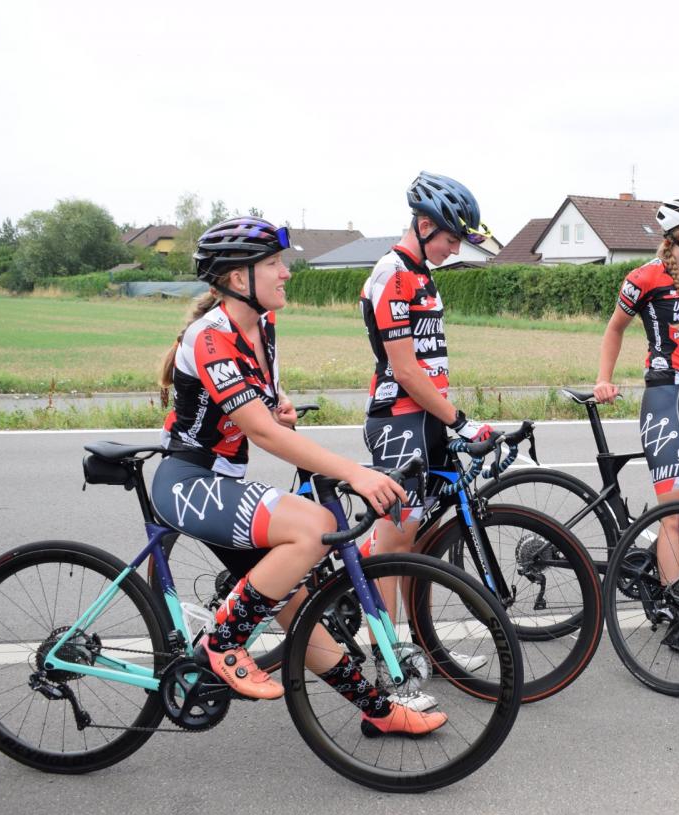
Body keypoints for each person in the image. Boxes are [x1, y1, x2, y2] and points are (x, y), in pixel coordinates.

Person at [153, 216, 445, 736]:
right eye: (273, 264)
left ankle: (380, 711)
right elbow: (261, 432)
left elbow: (261, 405)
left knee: (301, 608)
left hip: (223, 481)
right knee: (314, 526)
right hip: (190, 482)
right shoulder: (210, 337)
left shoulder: (263, 326)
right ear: (238, 278)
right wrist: (356, 473)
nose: (286, 273)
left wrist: (277, 403)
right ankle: (222, 643)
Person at [358, 172, 496, 709]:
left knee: (416, 545)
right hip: (400, 421)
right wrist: (460, 421)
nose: (455, 248)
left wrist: (446, 420)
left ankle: (423, 649)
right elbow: (406, 370)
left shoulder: (421, 275)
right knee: (394, 548)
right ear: (422, 224)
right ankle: (389, 670)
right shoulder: (393, 274)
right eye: (450, 237)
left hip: (425, 420)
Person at [593, 195, 679, 659]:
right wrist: (604, 378)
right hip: (666, 399)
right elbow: (615, 328)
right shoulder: (643, 278)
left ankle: (662, 572)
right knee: (674, 517)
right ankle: (676, 616)